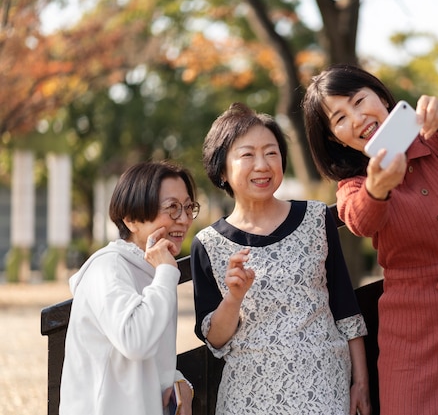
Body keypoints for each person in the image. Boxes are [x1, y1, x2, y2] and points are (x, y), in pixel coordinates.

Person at [302, 64, 438, 415]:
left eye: (360, 101)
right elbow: (359, 219)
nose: (357, 119)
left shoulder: (437, 140)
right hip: (415, 338)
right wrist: (378, 186)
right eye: (340, 119)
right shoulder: (354, 185)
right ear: (335, 139)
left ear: (382, 96)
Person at [190, 102, 371, 415]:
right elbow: (215, 340)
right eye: (247, 154)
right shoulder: (207, 244)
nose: (262, 165)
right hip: (247, 398)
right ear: (222, 170)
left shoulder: (316, 218)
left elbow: (345, 308)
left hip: (324, 388)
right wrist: (233, 298)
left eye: (271, 153)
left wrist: (361, 383)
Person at [59, 160, 198, 415]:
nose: (184, 219)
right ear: (132, 219)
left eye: (189, 207)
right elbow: (136, 341)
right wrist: (167, 274)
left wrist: (179, 382)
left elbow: (148, 355)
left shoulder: (155, 268)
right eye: (172, 208)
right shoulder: (108, 268)